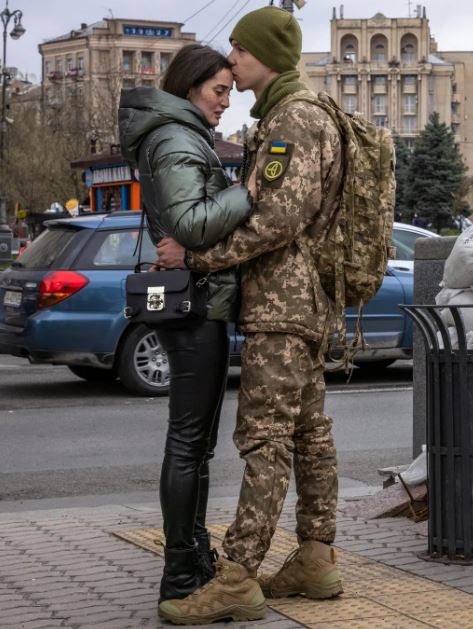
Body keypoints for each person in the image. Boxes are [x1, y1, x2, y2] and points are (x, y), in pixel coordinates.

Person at [154, 7, 345, 625]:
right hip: (304, 301)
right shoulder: (293, 116)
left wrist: (200, 254)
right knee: (308, 432)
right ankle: (316, 558)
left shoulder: (293, 120)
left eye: (238, 49)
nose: (230, 60)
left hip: (282, 305)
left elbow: (278, 218)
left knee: (263, 438)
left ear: (265, 55)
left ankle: (236, 577)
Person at [117, 45, 253, 608]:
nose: (226, 101)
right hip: (196, 307)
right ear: (192, 84)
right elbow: (192, 225)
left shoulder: (179, 133)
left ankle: (193, 557)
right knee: (189, 444)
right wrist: (249, 194)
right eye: (219, 90)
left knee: (193, 447)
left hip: (196, 300)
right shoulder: (176, 138)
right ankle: (181, 572)